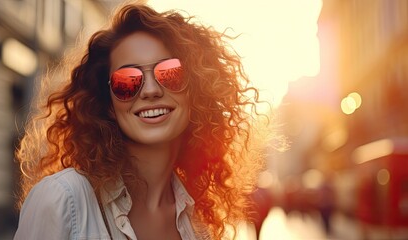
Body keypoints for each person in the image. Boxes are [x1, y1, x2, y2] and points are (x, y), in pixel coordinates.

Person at [14, 2, 265, 239]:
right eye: (127, 81)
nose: (150, 90)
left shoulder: (198, 223)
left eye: (170, 73)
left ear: (196, 92)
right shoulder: (61, 199)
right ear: (109, 104)